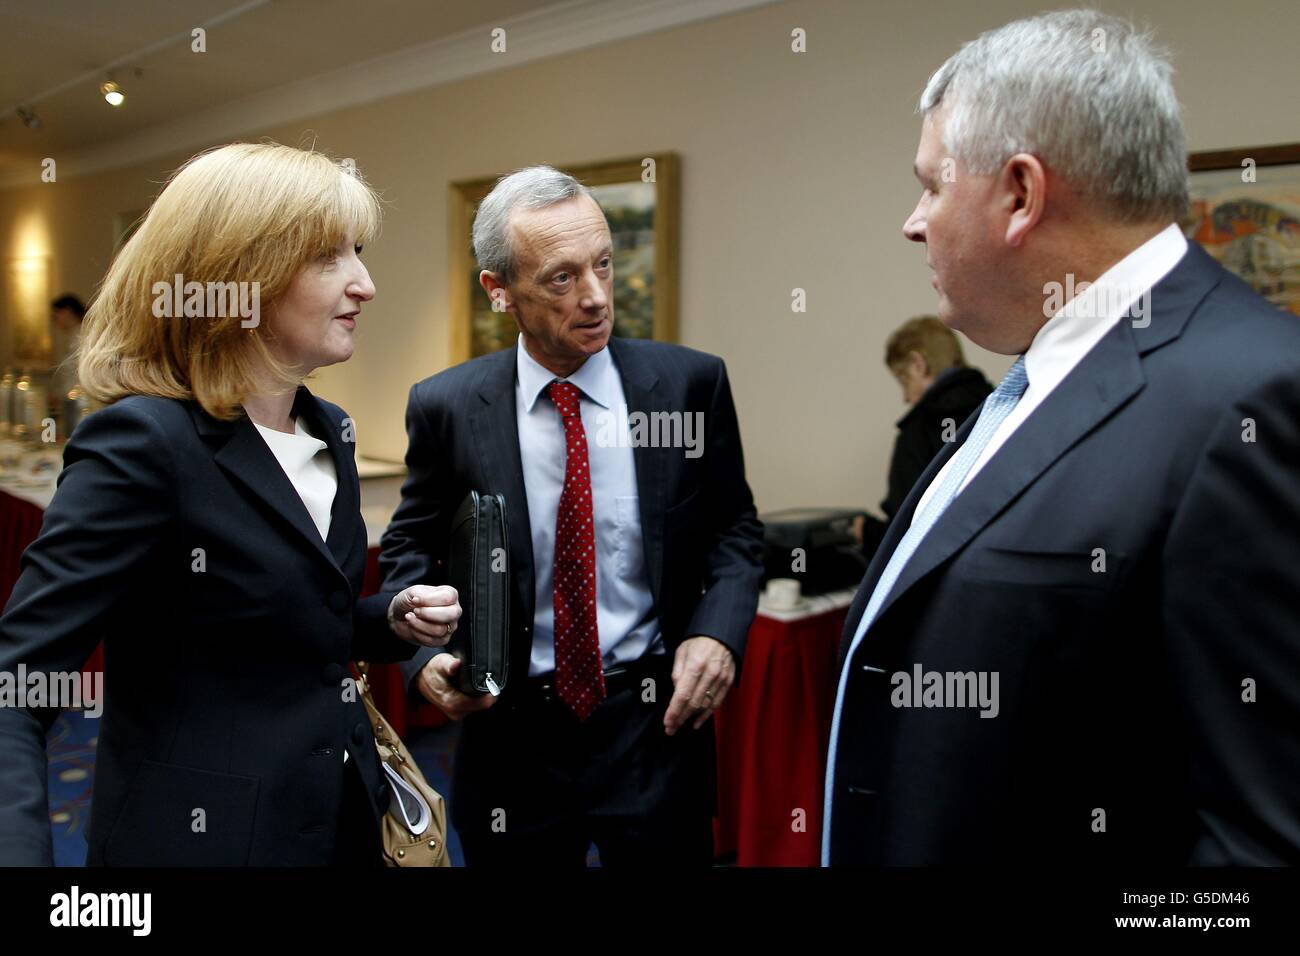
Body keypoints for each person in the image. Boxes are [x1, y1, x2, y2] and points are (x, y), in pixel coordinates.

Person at [825, 10, 1300, 865]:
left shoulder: (1256, 394)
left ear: (1020, 193)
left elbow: (1261, 843)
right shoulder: (1036, 377)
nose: (914, 221)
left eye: (931, 184)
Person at [0, 143, 460, 867]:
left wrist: (386, 620)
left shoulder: (328, 428)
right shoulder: (142, 443)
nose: (366, 283)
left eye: (358, 252)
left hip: (344, 822)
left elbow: (280, 624)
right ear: (238, 276)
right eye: (328, 258)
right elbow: (16, 687)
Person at [380, 165, 765, 866]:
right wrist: (425, 656)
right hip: (511, 736)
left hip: (654, 726)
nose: (595, 298)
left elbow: (735, 529)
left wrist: (718, 636)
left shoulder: (687, 386)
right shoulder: (447, 407)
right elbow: (409, 548)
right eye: (561, 278)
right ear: (499, 291)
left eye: (604, 266)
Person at [880, 317, 991, 521]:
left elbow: (903, 530)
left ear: (918, 365)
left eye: (903, 380)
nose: (905, 397)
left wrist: (867, 531)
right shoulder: (1003, 407)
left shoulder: (917, 433)